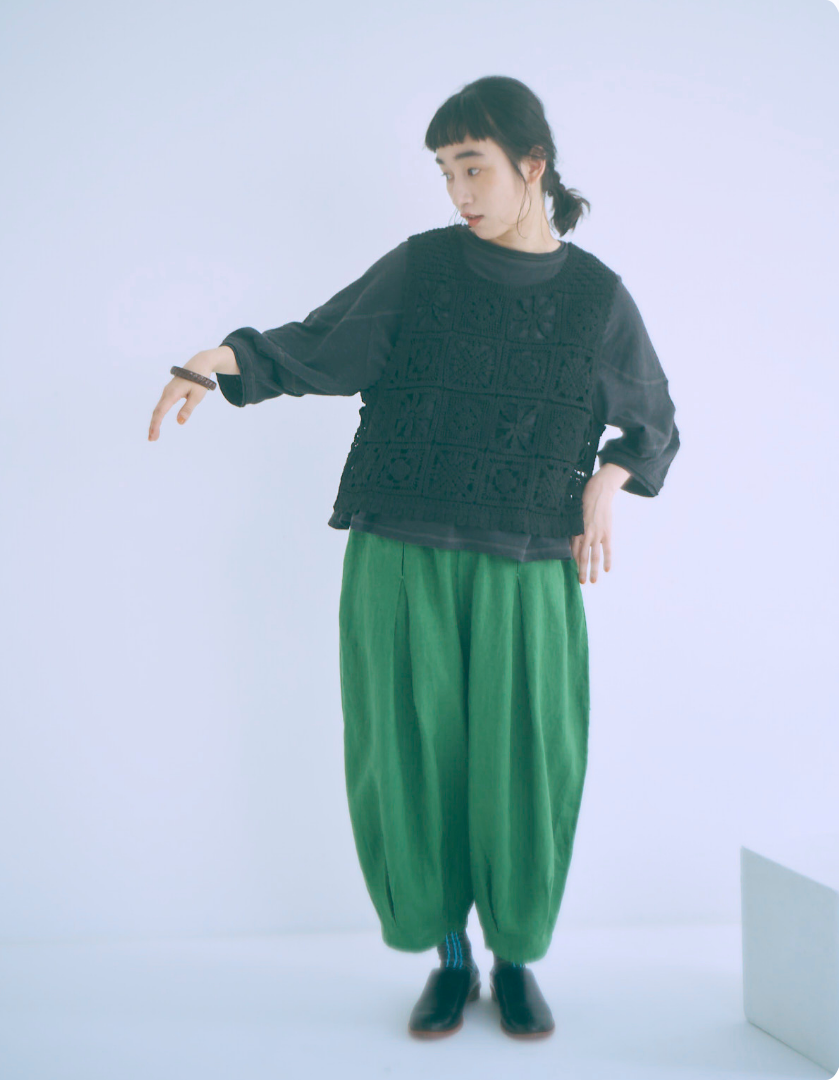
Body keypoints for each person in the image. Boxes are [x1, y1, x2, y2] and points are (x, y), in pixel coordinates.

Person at [148, 75, 679, 1041]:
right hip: (400, 549)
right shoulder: (423, 268)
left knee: (527, 759)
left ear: (533, 165)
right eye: (444, 173)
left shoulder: (597, 298)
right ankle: (449, 957)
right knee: (408, 758)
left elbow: (655, 425)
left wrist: (610, 478)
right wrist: (220, 359)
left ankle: (514, 957)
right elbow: (323, 345)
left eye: (474, 168)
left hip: (529, 563)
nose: (458, 192)